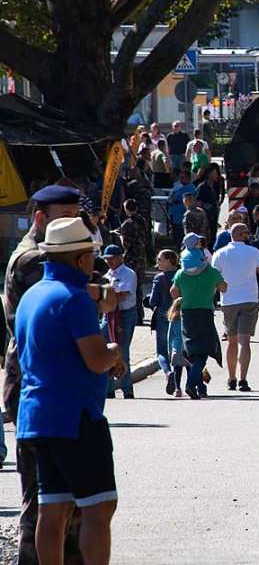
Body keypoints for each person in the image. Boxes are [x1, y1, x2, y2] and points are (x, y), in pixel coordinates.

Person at [15, 217, 126, 565]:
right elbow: (95, 359)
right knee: (99, 505)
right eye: (90, 256)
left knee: (53, 508)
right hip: (75, 416)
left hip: (37, 415)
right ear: (80, 260)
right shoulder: (73, 298)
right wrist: (115, 352)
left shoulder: (31, 295)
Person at [3, 185, 82, 564]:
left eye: (77, 216)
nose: (76, 224)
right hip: (36, 385)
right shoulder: (34, 260)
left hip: (52, 384)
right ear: (40, 218)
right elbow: (72, 299)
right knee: (43, 497)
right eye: (65, 216)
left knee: (68, 497)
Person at [210, 223, 259, 392]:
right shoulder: (254, 252)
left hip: (229, 301)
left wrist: (212, 296)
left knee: (232, 342)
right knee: (245, 342)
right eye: (247, 233)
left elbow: (213, 277)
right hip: (249, 300)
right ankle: (243, 380)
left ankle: (231, 378)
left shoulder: (220, 253)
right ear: (242, 235)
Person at [170, 246, 227, 399]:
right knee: (202, 352)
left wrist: (185, 292)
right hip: (205, 314)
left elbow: (173, 292)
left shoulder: (180, 274)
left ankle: (199, 386)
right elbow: (224, 288)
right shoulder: (212, 272)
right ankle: (191, 384)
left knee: (192, 351)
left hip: (187, 315)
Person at [99, 244, 138, 399]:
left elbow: (122, 294)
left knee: (123, 351)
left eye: (112, 258)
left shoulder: (129, 274)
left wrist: (105, 295)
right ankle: (109, 389)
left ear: (121, 257)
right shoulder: (107, 275)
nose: (109, 261)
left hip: (125, 314)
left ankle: (127, 388)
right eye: (107, 259)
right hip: (108, 315)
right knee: (105, 350)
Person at [148, 249, 181, 397]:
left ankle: (168, 373)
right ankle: (182, 384)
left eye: (160, 260)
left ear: (169, 260)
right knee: (180, 349)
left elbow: (153, 301)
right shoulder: (182, 274)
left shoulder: (159, 278)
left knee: (162, 351)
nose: (157, 263)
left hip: (163, 317)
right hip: (181, 316)